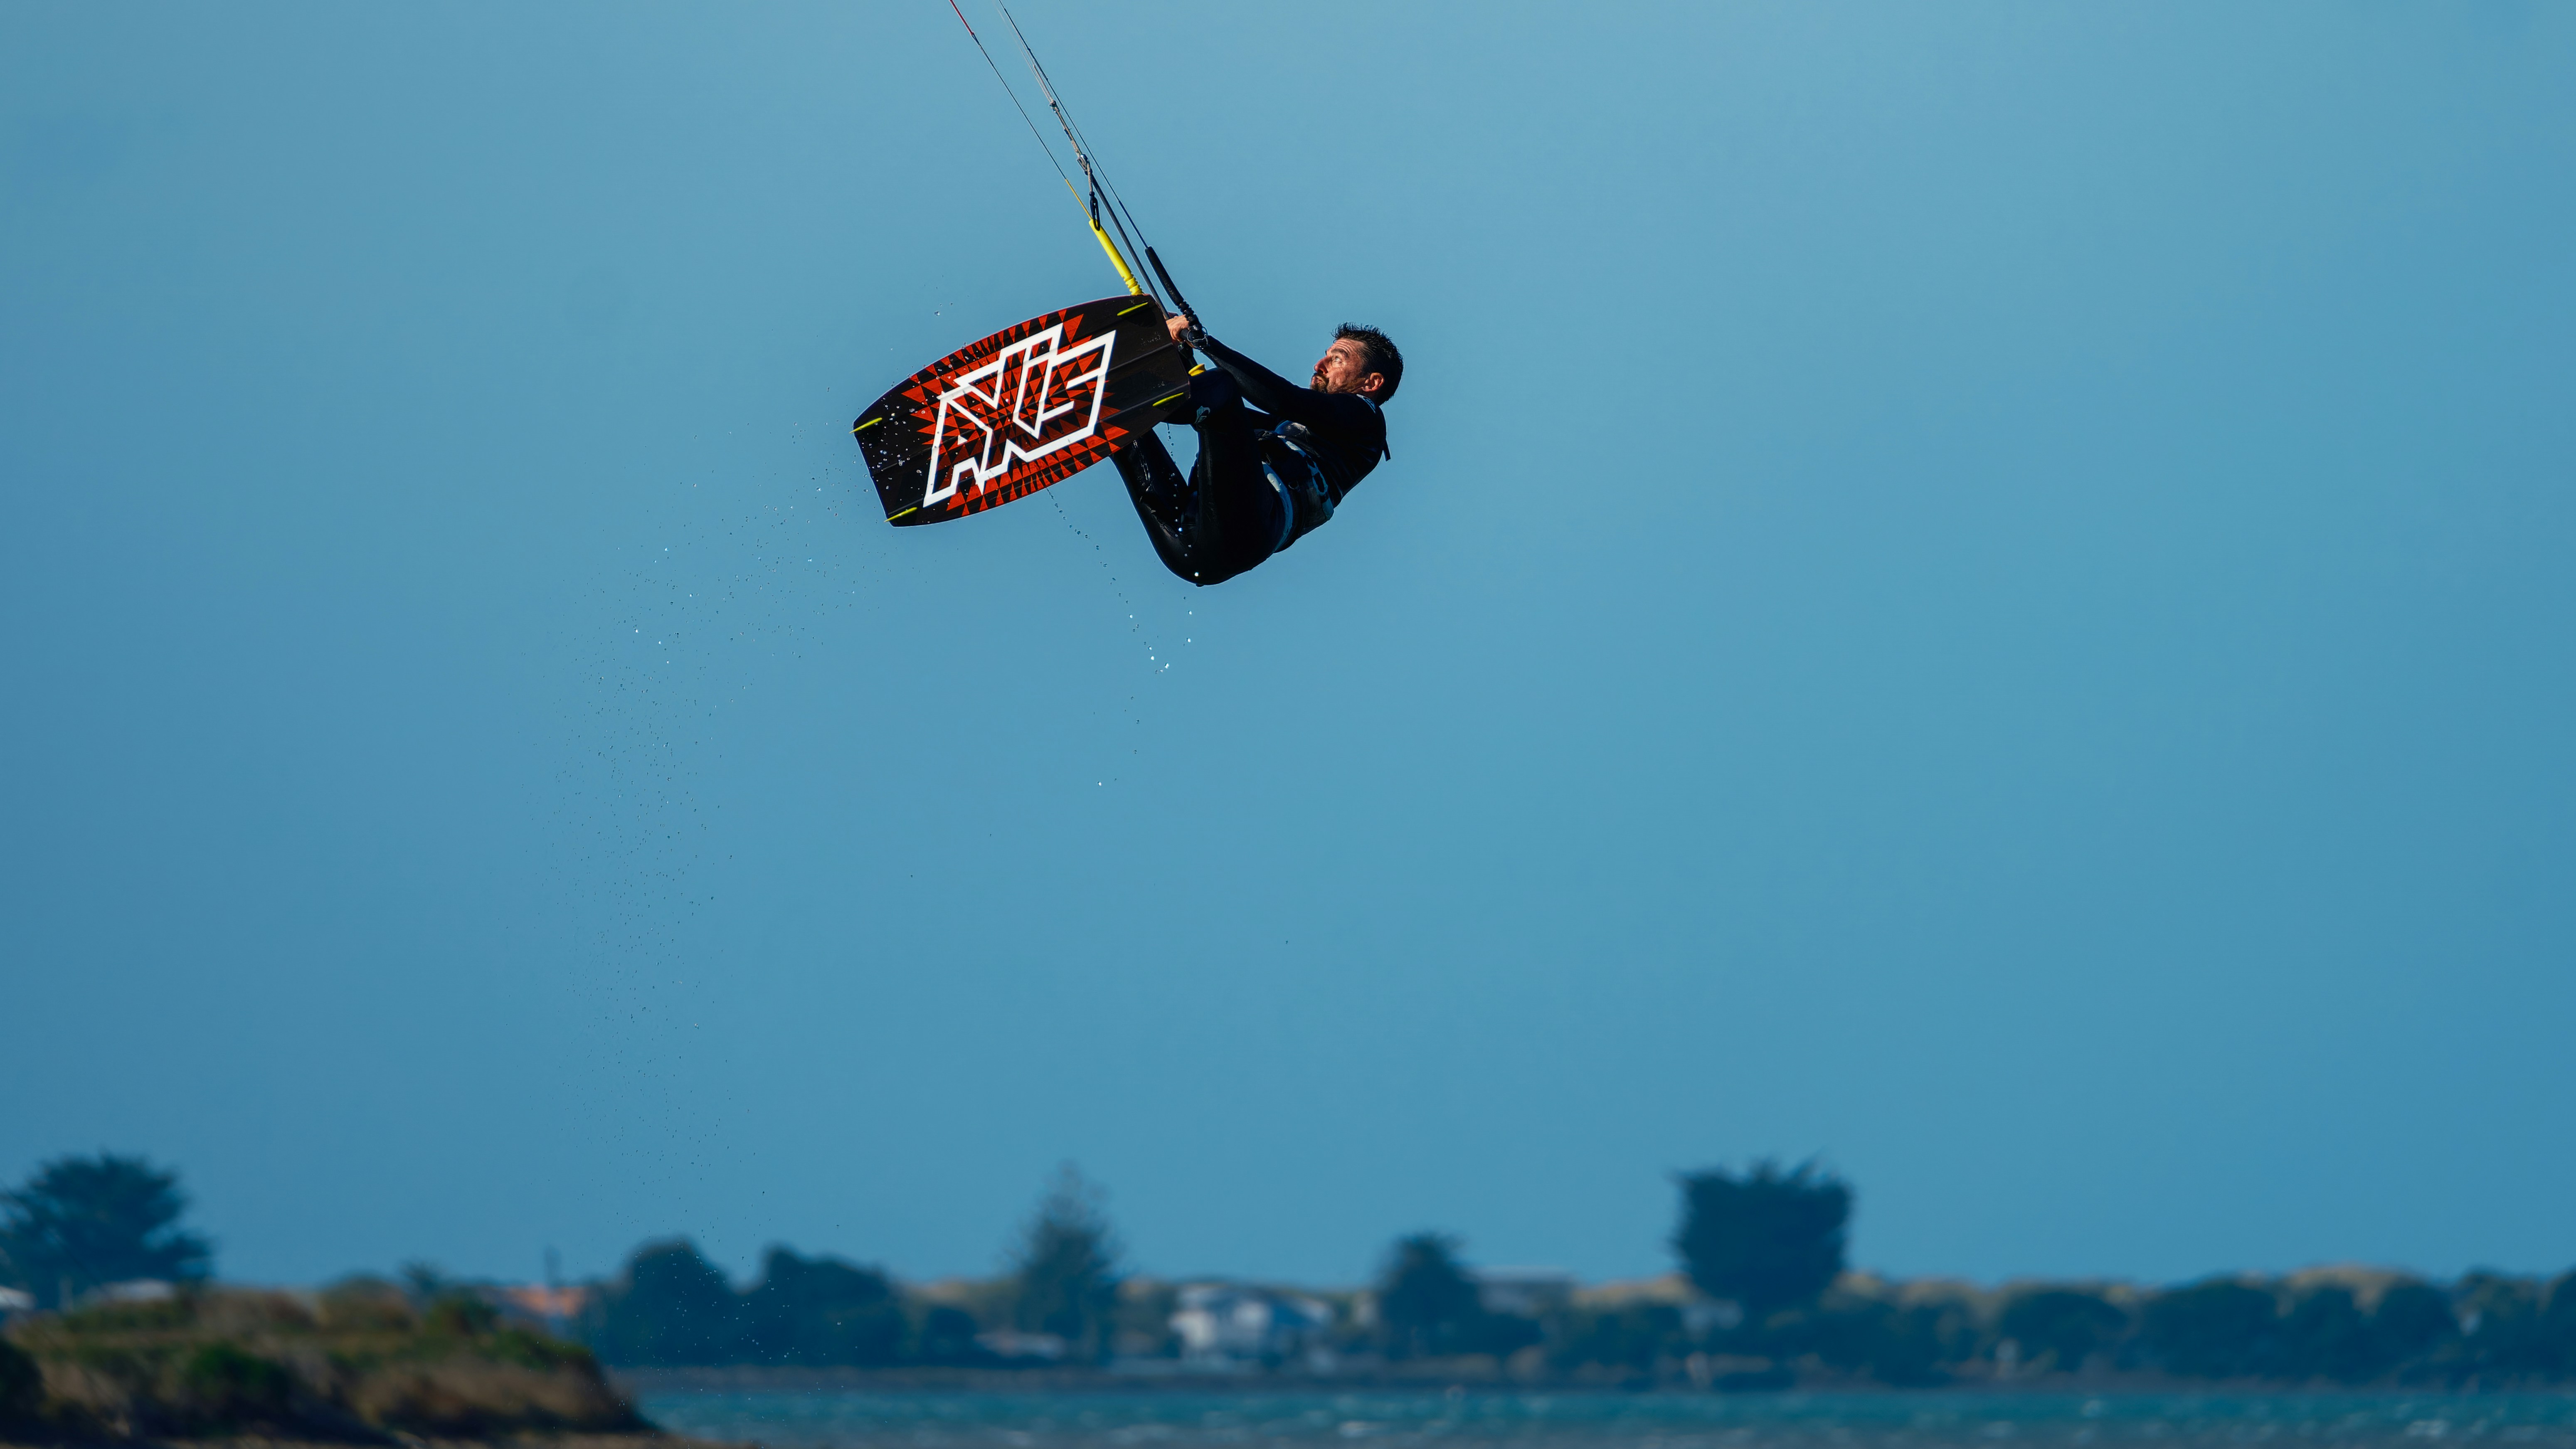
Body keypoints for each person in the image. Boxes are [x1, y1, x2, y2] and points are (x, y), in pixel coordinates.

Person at [1109, 317, 1401, 586]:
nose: (1319, 364)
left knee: (1222, 385)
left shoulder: (1366, 418)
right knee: (1124, 426)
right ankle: (1102, 405)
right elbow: (1223, 417)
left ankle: (1126, 392)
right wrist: (1182, 357)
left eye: (1337, 359)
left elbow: (1280, 398)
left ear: (1371, 383)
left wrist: (1204, 342)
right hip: (1191, 550)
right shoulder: (1291, 429)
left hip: (1246, 531)